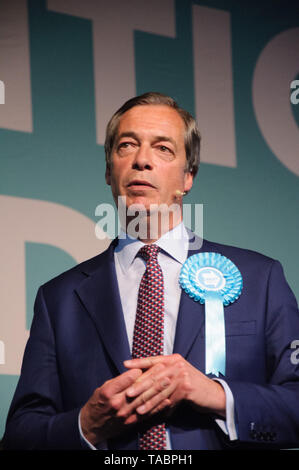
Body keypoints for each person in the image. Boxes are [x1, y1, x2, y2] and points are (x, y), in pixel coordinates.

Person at [3, 92, 299, 450]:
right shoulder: (58, 299)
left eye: (163, 149)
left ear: (188, 176)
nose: (142, 160)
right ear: (109, 171)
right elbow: (19, 436)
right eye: (127, 146)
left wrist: (215, 394)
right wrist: (87, 424)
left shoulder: (260, 279)